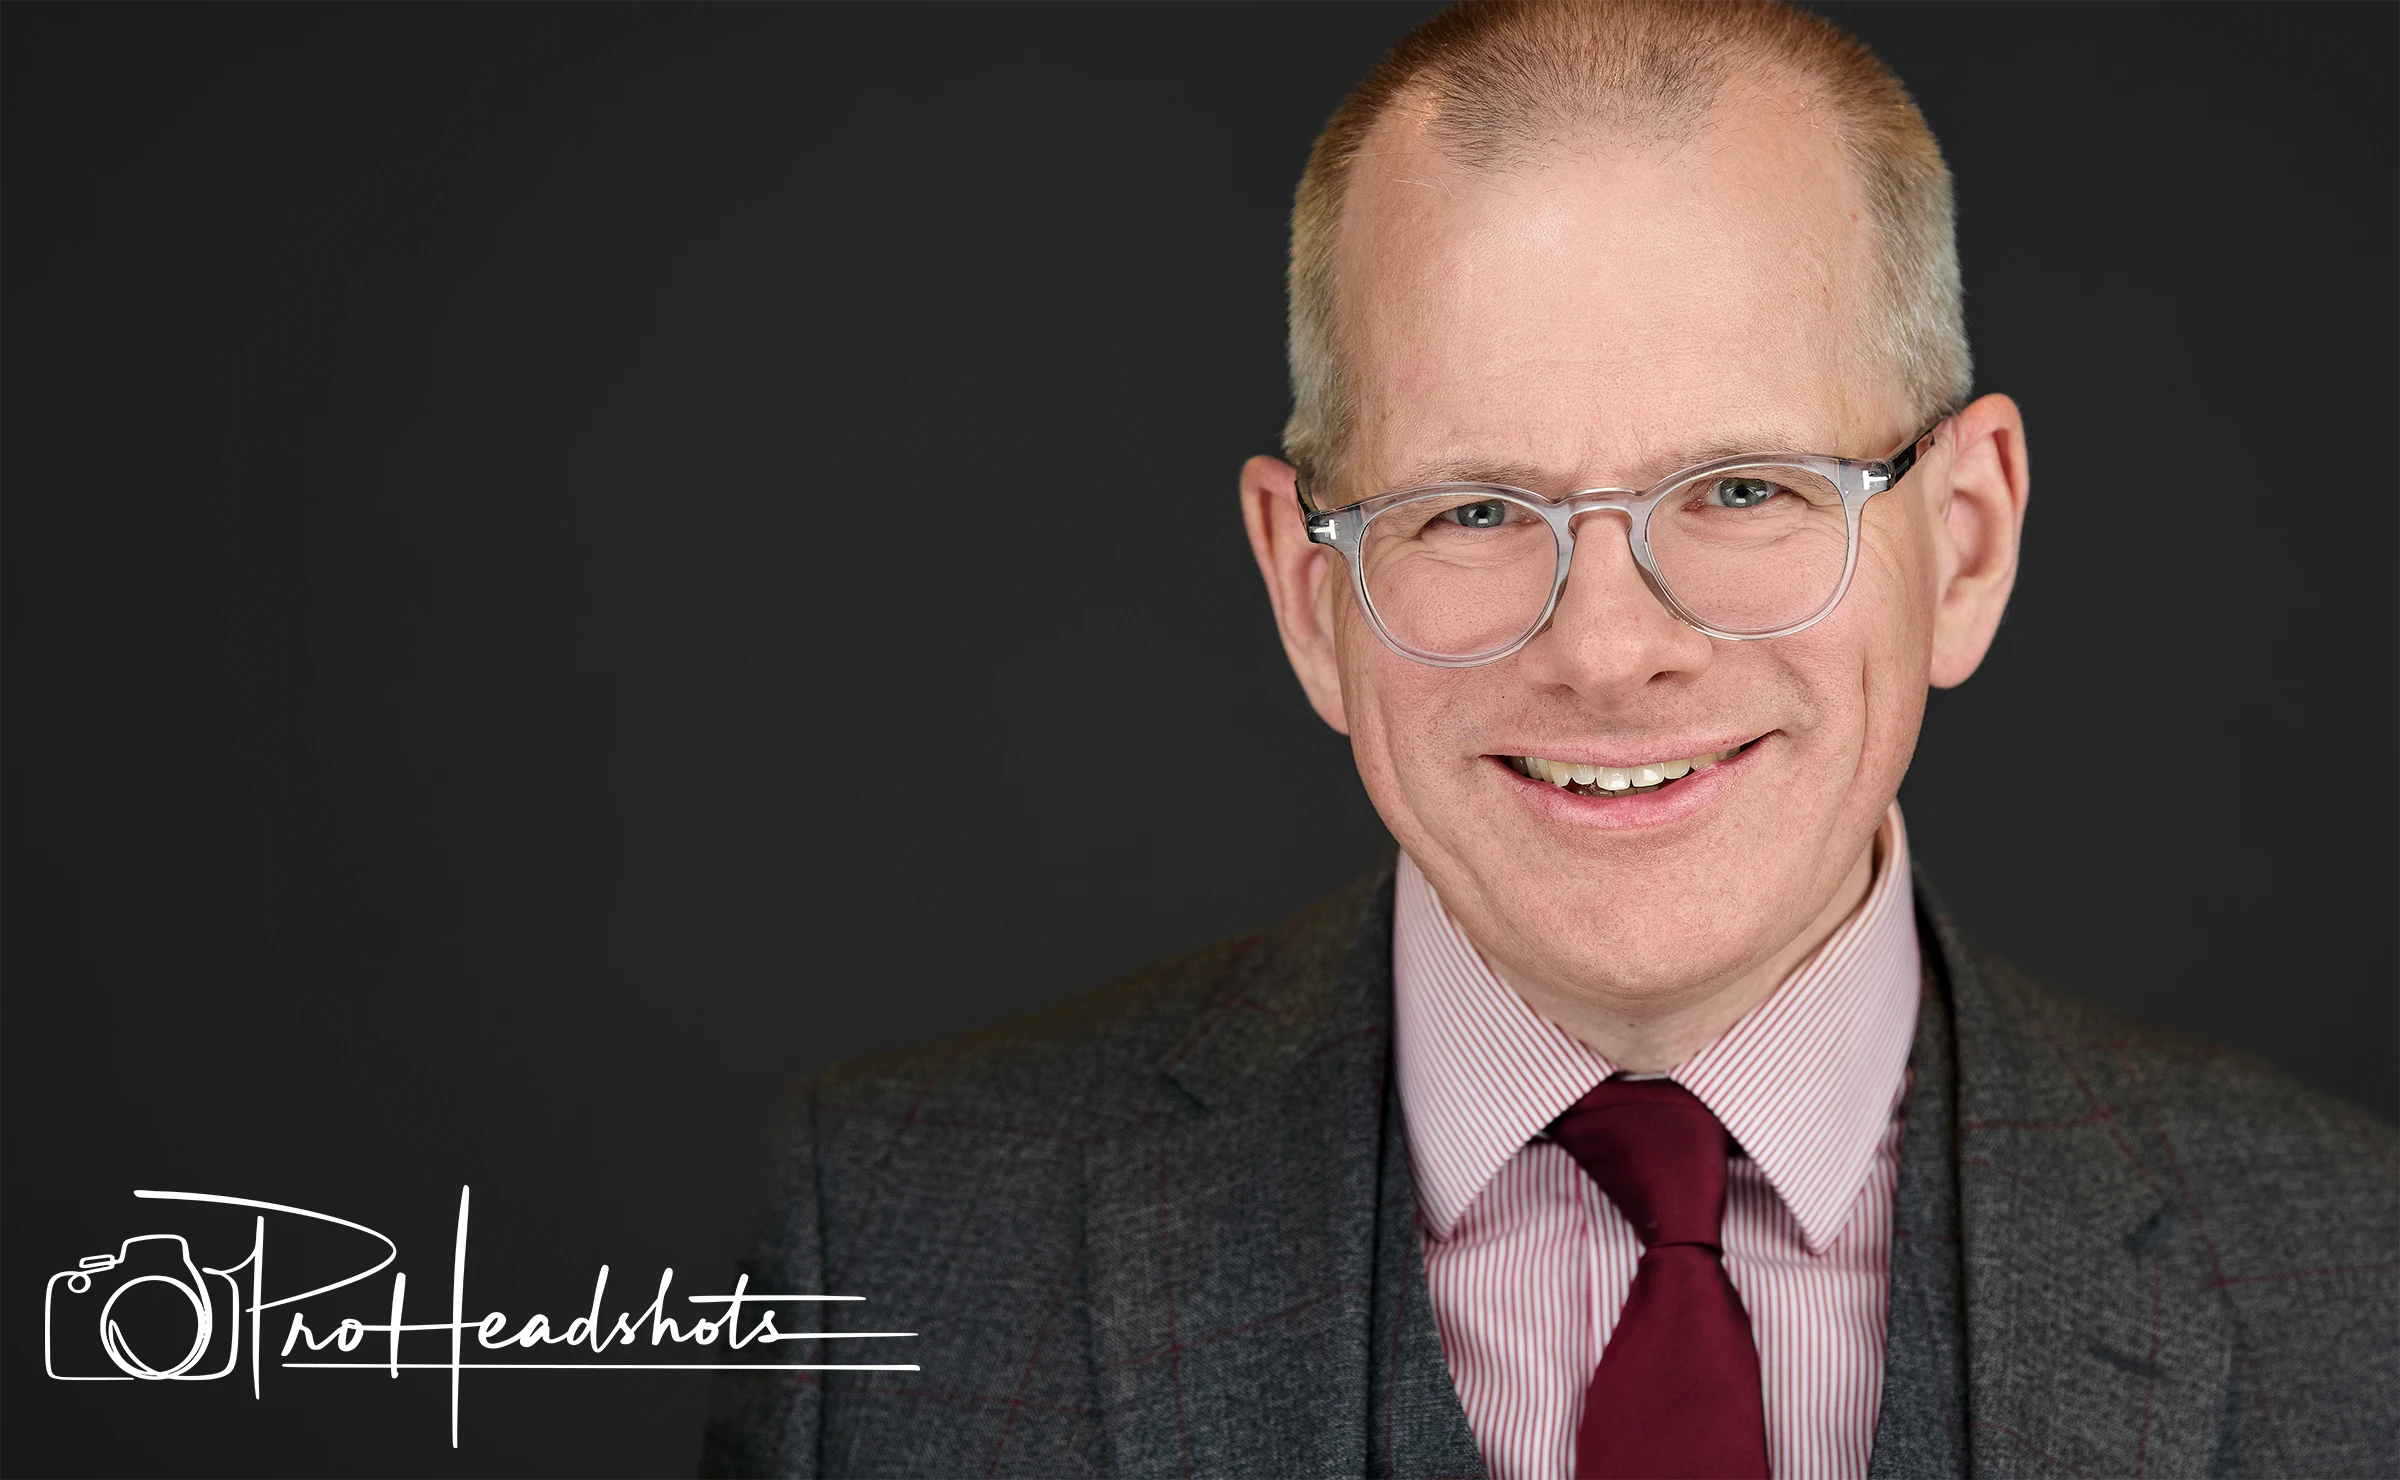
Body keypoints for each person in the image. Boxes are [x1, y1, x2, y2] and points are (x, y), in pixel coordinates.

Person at [700, 1, 2400, 1475]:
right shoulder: (878, 1262)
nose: (1607, 650)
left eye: (1744, 489)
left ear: (1964, 540)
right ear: (1309, 592)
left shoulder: (2361, 1283)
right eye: (1472, 511)